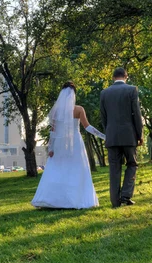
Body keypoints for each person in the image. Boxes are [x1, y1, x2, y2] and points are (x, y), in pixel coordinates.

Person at [31, 81, 105, 209]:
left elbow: (53, 132)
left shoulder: (56, 111)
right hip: (75, 142)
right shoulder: (79, 109)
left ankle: (53, 200)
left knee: (58, 169)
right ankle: (75, 199)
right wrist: (104, 136)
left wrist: (51, 148)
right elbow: (87, 127)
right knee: (76, 169)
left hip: (60, 143)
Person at [100, 67, 143, 208]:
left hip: (111, 136)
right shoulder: (132, 90)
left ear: (113, 77)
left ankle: (115, 201)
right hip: (128, 135)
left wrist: (108, 134)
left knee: (114, 168)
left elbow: (104, 117)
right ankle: (126, 195)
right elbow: (136, 114)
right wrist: (139, 134)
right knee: (132, 164)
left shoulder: (104, 93)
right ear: (126, 76)